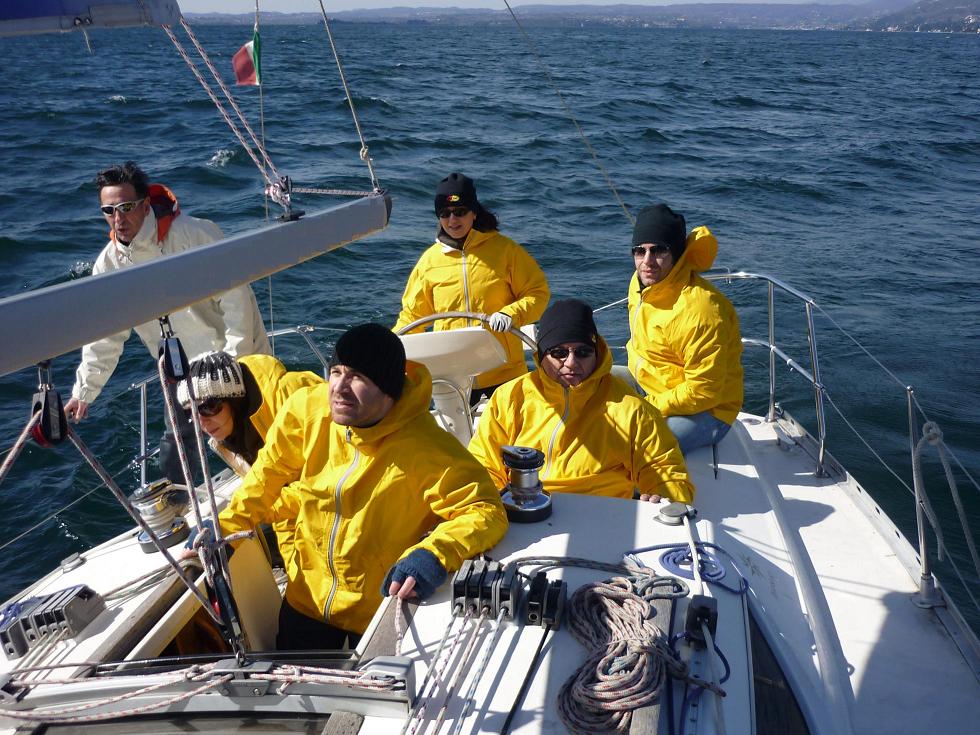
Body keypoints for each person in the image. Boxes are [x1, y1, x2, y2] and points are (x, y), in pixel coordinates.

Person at [217, 323, 508, 650]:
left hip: (377, 609)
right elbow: (266, 475)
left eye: (357, 377)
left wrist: (435, 554)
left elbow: (486, 510)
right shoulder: (308, 409)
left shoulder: (427, 449)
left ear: (388, 389)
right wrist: (228, 527)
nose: (339, 387)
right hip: (306, 597)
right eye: (336, 371)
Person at [63, 162, 271, 481]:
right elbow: (105, 336)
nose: (118, 219)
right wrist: (83, 391)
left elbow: (236, 300)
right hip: (180, 370)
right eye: (108, 210)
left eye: (126, 207)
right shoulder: (108, 265)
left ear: (146, 205)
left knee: (256, 435)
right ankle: (182, 512)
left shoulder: (195, 234)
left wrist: (235, 361)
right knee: (176, 448)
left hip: (230, 359)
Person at [469, 299, 694, 503]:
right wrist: (491, 500)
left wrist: (663, 496)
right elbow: (485, 463)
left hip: (601, 514)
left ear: (596, 353)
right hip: (523, 507)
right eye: (558, 353)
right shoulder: (509, 397)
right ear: (541, 355)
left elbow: (664, 470)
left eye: (583, 352)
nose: (571, 363)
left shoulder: (631, 409)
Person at [394, 173, 550, 402]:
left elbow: (538, 293)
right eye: (444, 214)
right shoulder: (429, 261)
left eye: (460, 212)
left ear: (474, 213)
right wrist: (391, 345)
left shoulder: (506, 251)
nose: (452, 220)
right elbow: (413, 316)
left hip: (504, 372)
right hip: (450, 376)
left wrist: (511, 314)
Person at [176, 352, 324, 570]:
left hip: (338, 513)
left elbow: (327, 484)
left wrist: (254, 512)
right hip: (293, 521)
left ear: (234, 399)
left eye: (208, 406)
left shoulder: (294, 396)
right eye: (192, 411)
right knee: (298, 593)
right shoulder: (227, 439)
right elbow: (265, 489)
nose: (202, 421)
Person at [626, 203, 743, 454]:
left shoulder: (701, 311)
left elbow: (704, 391)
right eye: (639, 251)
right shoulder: (640, 285)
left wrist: (647, 406)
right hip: (653, 386)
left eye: (658, 250)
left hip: (706, 411)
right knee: (581, 387)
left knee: (635, 448)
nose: (647, 262)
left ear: (677, 253)